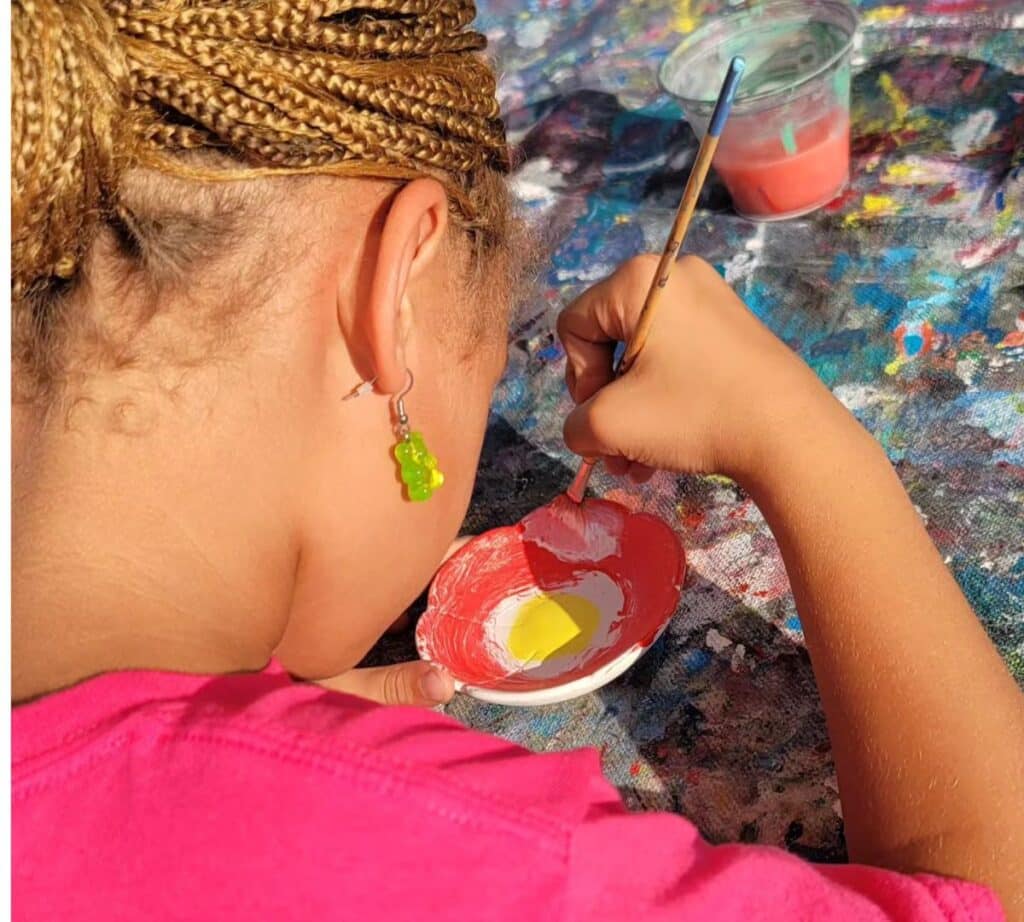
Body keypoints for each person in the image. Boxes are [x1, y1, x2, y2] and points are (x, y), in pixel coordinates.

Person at [10, 1, 1023, 920]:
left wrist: (221, 746)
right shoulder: (514, 864)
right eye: (485, 368)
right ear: (392, 296)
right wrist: (804, 443)